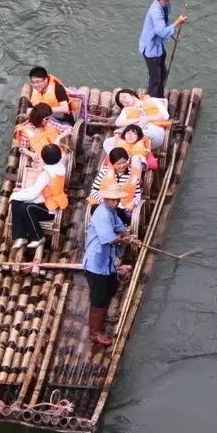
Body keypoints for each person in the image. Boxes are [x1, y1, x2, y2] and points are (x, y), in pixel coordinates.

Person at [82, 185, 135, 346]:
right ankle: (95, 332)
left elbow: (120, 228)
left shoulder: (112, 212)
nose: (116, 201)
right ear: (106, 199)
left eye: (117, 199)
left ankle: (103, 316)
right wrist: (125, 240)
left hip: (107, 261)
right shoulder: (102, 215)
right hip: (96, 263)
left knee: (111, 287)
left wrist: (130, 236)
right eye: (113, 199)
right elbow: (110, 239)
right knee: (99, 297)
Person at [8, 144, 68, 250]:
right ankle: (20, 236)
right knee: (17, 202)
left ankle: (38, 237)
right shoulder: (61, 165)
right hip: (49, 201)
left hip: (50, 209)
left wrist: (15, 195)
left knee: (24, 207)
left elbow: (33, 194)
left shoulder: (46, 175)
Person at [137, 0, 187, 98]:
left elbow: (165, 22)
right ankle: (153, 103)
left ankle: (159, 97)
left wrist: (173, 35)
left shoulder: (166, 4)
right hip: (151, 48)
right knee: (155, 79)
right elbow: (161, 31)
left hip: (159, 46)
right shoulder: (155, 10)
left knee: (163, 74)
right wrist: (177, 23)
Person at [88, 147, 140, 220]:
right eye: (118, 163)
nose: (122, 165)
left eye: (124, 162)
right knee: (95, 208)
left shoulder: (133, 174)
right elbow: (94, 191)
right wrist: (104, 202)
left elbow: (137, 194)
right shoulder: (104, 172)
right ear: (112, 163)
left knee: (115, 212)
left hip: (122, 209)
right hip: (104, 204)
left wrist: (133, 203)